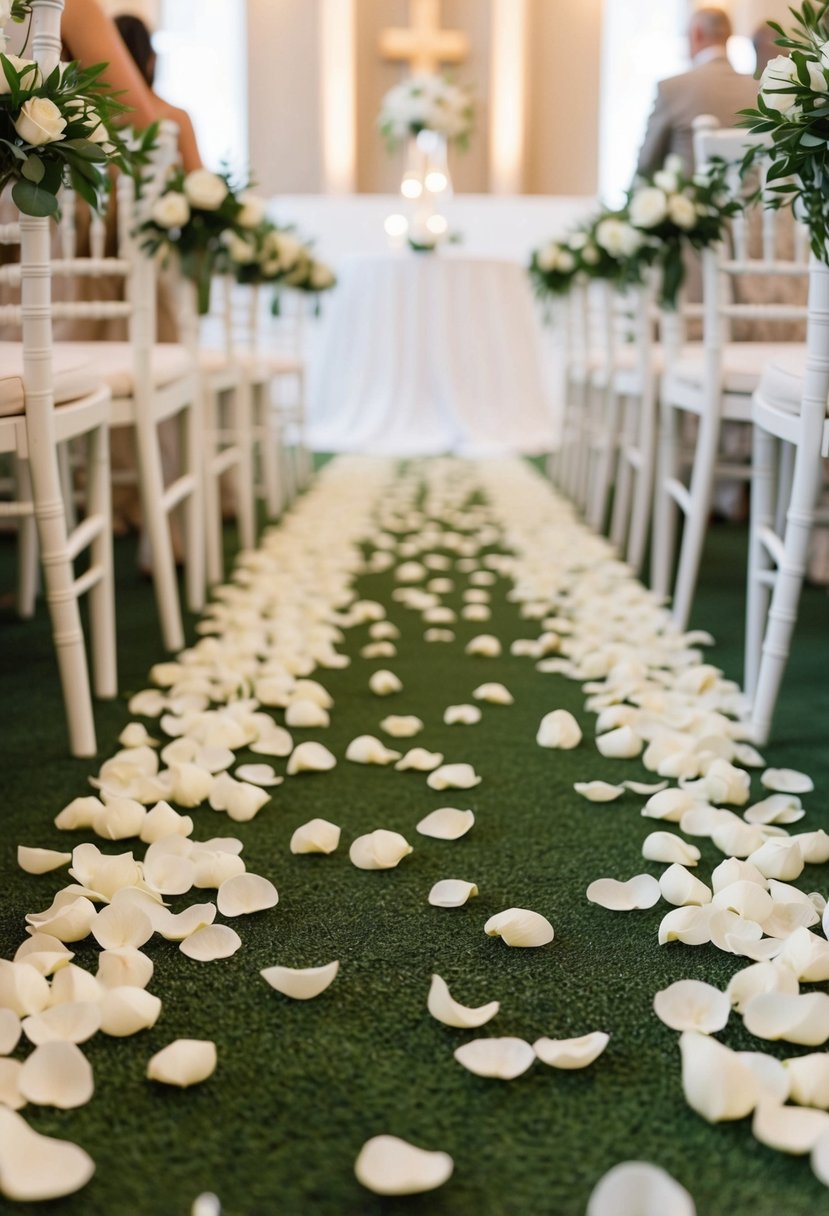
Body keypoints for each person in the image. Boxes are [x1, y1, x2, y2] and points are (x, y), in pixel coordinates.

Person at [636, 7, 757, 178]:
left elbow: (646, 166)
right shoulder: (758, 88)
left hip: (694, 202)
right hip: (751, 203)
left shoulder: (672, 88)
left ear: (696, 33)